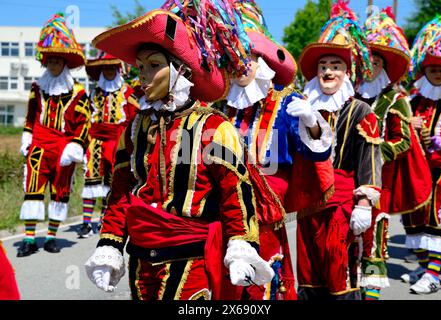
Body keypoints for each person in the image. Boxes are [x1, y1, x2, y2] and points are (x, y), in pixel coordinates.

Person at [84, 1, 274, 300]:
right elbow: (120, 191)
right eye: (141, 67)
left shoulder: (213, 127)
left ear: (179, 70)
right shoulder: (134, 128)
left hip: (192, 257)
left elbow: (234, 191)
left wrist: (241, 245)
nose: (142, 76)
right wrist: (109, 245)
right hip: (141, 257)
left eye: (154, 65)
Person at [221, 0, 333, 300]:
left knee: (263, 276)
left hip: (267, 211)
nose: (240, 66)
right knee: (228, 279)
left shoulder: (286, 102)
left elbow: (316, 153)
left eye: (248, 59)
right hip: (226, 207)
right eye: (233, 61)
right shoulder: (221, 106)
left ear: (263, 62)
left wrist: (311, 122)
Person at [293, 0, 383, 300]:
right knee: (309, 272)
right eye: (323, 66)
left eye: (335, 66)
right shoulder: (303, 107)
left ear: (347, 72)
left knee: (340, 272)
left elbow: (369, 156)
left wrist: (365, 202)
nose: (328, 72)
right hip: (308, 205)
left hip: (343, 204)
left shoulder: (360, 110)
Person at [354, 8, 433, 300]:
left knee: (374, 243)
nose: (369, 68)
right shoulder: (349, 97)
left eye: (375, 63)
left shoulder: (395, 99)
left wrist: (375, 152)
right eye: (365, 63)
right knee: (347, 244)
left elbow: (403, 141)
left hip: (378, 183)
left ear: (383, 67)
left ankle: (371, 296)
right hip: (347, 181)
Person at [17, 13, 90, 256]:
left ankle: (50, 237)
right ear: (45, 63)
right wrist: (26, 137)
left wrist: (76, 146)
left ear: (65, 63)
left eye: (58, 61)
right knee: (33, 189)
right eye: (50, 61)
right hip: (38, 145)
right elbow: (30, 116)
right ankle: (28, 240)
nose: (53, 65)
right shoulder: (37, 88)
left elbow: (84, 124)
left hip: (63, 148)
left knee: (60, 192)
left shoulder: (78, 93)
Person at [400, 16, 441, 294]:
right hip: (418, 168)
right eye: (433, 69)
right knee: (412, 216)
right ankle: (423, 264)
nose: (439, 74)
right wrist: (410, 124)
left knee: (435, 216)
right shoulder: (413, 102)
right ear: (425, 71)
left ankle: (432, 274)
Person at [78, 52, 139, 238]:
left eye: (112, 68)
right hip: (95, 142)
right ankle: (86, 223)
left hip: (118, 142)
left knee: (112, 184)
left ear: (118, 69)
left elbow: (134, 119)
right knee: (91, 180)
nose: (109, 71)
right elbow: (85, 119)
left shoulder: (127, 92)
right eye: (106, 68)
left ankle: (105, 219)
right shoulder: (94, 93)